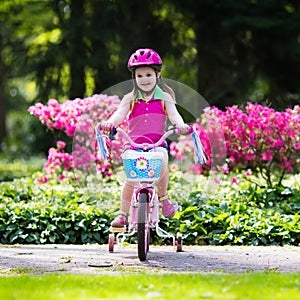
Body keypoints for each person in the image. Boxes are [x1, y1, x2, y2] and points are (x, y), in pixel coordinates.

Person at [101, 48, 189, 227]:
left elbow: (174, 115)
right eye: (139, 76)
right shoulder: (130, 98)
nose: (144, 79)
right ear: (134, 78)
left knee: (162, 161)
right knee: (131, 179)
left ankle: (163, 198)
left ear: (158, 74)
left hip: (157, 144)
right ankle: (123, 214)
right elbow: (118, 115)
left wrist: (180, 125)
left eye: (148, 74)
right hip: (134, 145)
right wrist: (109, 123)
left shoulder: (164, 97)